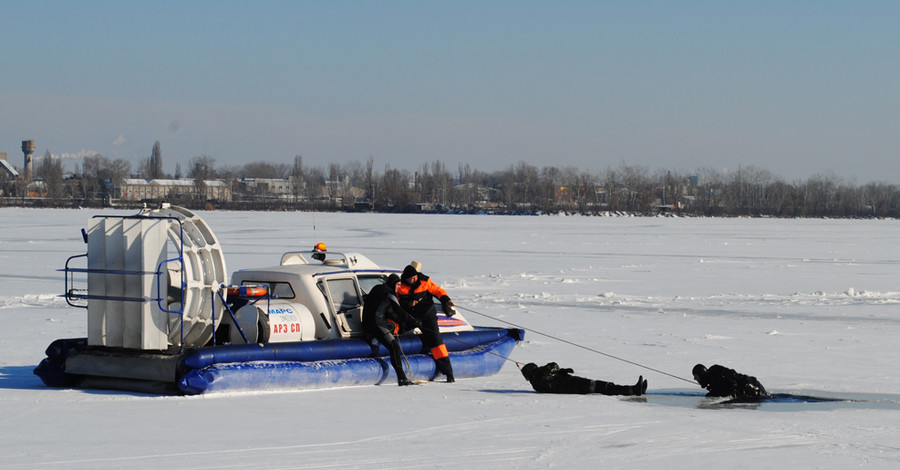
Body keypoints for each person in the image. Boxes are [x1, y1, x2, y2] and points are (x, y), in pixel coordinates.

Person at [394, 262, 456, 382]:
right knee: (398, 331)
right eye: (412, 278)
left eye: (415, 277)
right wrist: (408, 304)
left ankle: (448, 372)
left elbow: (438, 291)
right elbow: (397, 303)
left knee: (436, 340)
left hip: (427, 316)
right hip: (410, 317)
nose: (414, 279)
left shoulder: (425, 281)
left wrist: (446, 300)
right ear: (406, 279)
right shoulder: (400, 287)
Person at [363, 274, 421, 386]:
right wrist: (414, 322)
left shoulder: (378, 289)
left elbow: (389, 312)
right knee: (394, 347)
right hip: (376, 323)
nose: (399, 287)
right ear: (393, 283)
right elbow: (399, 311)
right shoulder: (389, 293)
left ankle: (402, 377)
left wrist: (404, 323)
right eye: (398, 284)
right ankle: (402, 378)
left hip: (368, 323)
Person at [521, 362, 648, 396]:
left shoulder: (537, 380)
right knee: (605, 387)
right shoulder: (539, 377)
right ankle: (634, 390)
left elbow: (551, 374)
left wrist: (561, 371)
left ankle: (635, 389)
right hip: (575, 386)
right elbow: (552, 366)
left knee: (604, 386)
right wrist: (557, 370)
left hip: (574, 384)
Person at [692, 363, 770, 400]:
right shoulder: (711, 378)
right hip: (748, 384)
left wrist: (715, 393)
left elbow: (732, 384)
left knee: (765, 398)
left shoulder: (714, 373)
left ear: (701, 374)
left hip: (750, 386)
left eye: (696, 376)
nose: (695, 379)